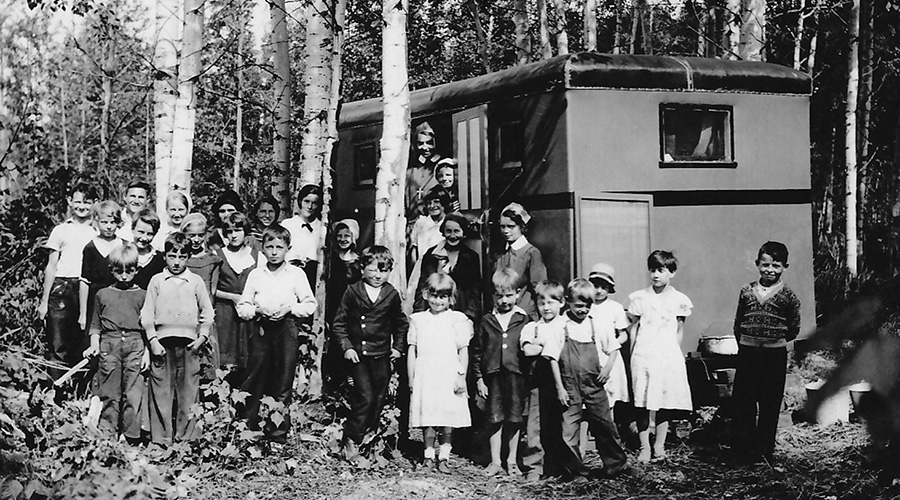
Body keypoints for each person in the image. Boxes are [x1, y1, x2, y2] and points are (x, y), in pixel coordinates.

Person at [236, 225, 317, 444]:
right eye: (269, 247)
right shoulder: (256, 275)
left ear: (287, 249)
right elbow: (243, 306)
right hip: (261, 329)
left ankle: (276, 435)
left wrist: (290, 308)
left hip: (286, 329)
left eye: (279, 247)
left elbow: (310, 304)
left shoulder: (296, 274)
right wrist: (257, 310)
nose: (274, 252)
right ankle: (247, 430)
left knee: (282, 381)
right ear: (262, 249)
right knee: (254, 378)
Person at [542, 279, 630, 480]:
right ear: (568, 302)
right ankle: (576, 471)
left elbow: (614, 348)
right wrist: (560, 388)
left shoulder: (596, 324)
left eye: (587, 306)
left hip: (594, 386)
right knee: (568, 432)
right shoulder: (560, 326)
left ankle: (617, 466)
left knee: (606, 427)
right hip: (569, 387)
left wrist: (607, 369)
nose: (583, 310)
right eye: (578, 306)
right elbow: (552, 359)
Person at [333, 246, 408, 461]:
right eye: (373, 270)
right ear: (363, 268)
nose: (377, 275)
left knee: (379, 397)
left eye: (383, 271)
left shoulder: (391, 294)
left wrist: (398, 348)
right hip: (358, 355)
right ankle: (351, 439)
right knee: (364, 396)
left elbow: (400, 324)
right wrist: (346, 346)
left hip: (381, 355)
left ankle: (371, 439)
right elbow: (339, 323)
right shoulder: (353, 291)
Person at [141, 232, 214, 445]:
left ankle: (187, 440)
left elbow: (207, 312)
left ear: (188, 257)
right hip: (162, 344)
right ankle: (161, 440)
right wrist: (153, 340)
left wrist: (202, 337)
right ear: (165, 256)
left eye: (182, 257)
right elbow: (147, 314)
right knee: (161, 391)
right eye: (172, 256)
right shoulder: (157, 281)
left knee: (189, 392)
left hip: (190, 344)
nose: (176, 261)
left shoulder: (195, 281)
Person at [731, 241, 801, 463]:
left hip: (774, 355)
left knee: (770, 403)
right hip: (748, 353)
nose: (770, 270)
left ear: (784, 267)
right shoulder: (746, 291)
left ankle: (763, 452)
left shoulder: (788, 296)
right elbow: (738, 322)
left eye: (776, 266)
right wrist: (746, 342)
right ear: (757, 264)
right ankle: (742, 449)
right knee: (744, 401)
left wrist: (774, 342)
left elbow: (794, 328)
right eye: (765, 264)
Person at [627, 250, 694, 463]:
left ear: (671, 272)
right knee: (643, 401)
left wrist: (675, 353)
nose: (656, 275)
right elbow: (634, 329)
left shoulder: (679, 300)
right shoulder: (640, 298)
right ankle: (644, 447)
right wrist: (632, 355)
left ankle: (659, 446)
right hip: (644, 354)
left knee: (665, 401)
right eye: (652, 270)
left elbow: (679, 329)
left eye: (661, 270)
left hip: (667, 355)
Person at [407, 273, 473, 473]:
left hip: (448, 373)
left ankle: (443, 456)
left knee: (446, 416)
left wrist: (461, 376)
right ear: (426, 294)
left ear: (451, 298)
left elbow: (463, 350)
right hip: (427, 374)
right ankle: (428, 455)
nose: (438, 301)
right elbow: (412, 349)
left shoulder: (456, 319)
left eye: (443, 296)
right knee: (429, 416)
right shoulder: (419, 320)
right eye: (434, 295)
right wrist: (411, 378)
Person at [82, 243, 147, 442]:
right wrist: (94, 344)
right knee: (109, 392)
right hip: (109, 345)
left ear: (137, 269)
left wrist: (147, 353)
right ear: (111, 270)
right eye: (119, 271)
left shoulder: (143, 295)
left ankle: (129, 436)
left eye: (130, 270)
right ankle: (107, 434)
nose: (125, 276)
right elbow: (95, 325)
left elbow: (149, 328)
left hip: (135, 345)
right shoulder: (103, 295)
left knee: (133, 393)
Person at [471, 268, 531, 476]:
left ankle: (511, 460)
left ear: (518, 293)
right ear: (493, 296)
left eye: (509, 295)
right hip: (493, 376)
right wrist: (479, 378)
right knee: (494, 418)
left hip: (516, 376)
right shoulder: (487, 321)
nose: (504, 300)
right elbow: (477, 351)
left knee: (515, 418)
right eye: (499, 296)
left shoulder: (524, 320)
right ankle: (495, 461)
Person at [37, 182, 97, 378]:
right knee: (58, 342)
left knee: (83, 341)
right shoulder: (60, 230)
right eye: (77, 201)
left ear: (95, 203)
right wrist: (45, 301)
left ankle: (80, 391)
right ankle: (56, 392)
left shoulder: (98, 230)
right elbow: (51, 266)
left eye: (87, 202)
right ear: (70, 202)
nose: (82, 206)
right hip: (62, 288)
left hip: (87, 288)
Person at [518, 280, 567, 480]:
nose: (546, 307)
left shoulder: (566, 324)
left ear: (562, 303)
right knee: (535, 424)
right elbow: (529, 350)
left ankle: (557, 465)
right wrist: (547, 344)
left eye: (551, 302)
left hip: (562, 381)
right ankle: (534, 466)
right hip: (538, 381)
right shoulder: (532, 327)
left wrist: (542, 345)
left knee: (560, 423)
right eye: (542, 303)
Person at [214, 212, 260, 382]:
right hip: (225, 313)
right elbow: (211, 289)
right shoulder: (217, 256)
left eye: (238, 230)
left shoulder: (256, 255)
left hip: (248, 314)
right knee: (225, 357)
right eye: (229, 231)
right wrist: (232, 297)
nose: (233, 235)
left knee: (248, 356)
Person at [180, 213, 223, 381]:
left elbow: (212, 291)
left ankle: (209, 401)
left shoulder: (212, 260)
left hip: (205, 316)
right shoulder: (181, 259)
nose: (196, 239)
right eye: (191, 236)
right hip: (184, 315)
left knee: (207, 358)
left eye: (200, 235)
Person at [587, 263, 631, 421]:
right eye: (595, 286)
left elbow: (623, 334)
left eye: (603, 287)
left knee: (608, 398)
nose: (599, 291)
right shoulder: (584, 306)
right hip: (588, 354)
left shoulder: (615, 308)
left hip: (608, 357)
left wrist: (613, 345)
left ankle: (606, 439)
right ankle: (585, 443)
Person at [323, 219, 361, 394]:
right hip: (334, 305)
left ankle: (350, 379)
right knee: (333, 342)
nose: (343, 239)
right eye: (339, 236)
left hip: (351, 308)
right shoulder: (330, 259)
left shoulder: (359, 261)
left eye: (347, 235)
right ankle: (335, 381)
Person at [79, 201, 126, 334]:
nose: (109, 227)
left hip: (119, 298)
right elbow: (84, 281)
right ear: (96, 222)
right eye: (104, 222)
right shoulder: (90, 248)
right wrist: (83, 314)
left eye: (113, 222)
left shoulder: (123, 245)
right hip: (95, 301)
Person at [495, 202, 547, 318]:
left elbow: (539, 287)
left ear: (522, 227)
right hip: (502, 311)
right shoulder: (501, 253)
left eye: (511, 226)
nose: (506, 231)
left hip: (523, 313)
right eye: (502, 226)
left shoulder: (531, 253)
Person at [282, 184, 323, 288]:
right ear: (300, 201)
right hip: (289, 276)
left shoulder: (322, 228)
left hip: (312, 278)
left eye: (314, 203)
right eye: (306, 201)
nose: (309, 207)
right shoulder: (288, 225)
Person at [406, 121, 442, 221]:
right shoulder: (410, 170)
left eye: (429, 143)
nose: (425, 148)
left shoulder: (442, 168)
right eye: (421, 143)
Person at [132, 208, 166, 290]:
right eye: (141, 232)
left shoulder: (159, 259)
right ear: (132, 229)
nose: (144, 238)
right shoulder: (123, 254)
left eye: (150, 234)